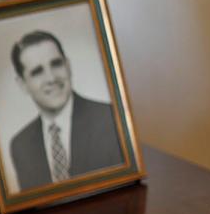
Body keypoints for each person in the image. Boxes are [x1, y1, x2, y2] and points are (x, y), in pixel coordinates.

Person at [8, 30, 124, 191]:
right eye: (37, 72)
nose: (51, 78)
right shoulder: (20, 145)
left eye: (56, 64)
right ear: (22, 84)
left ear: (68, 66)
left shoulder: (111, 119)